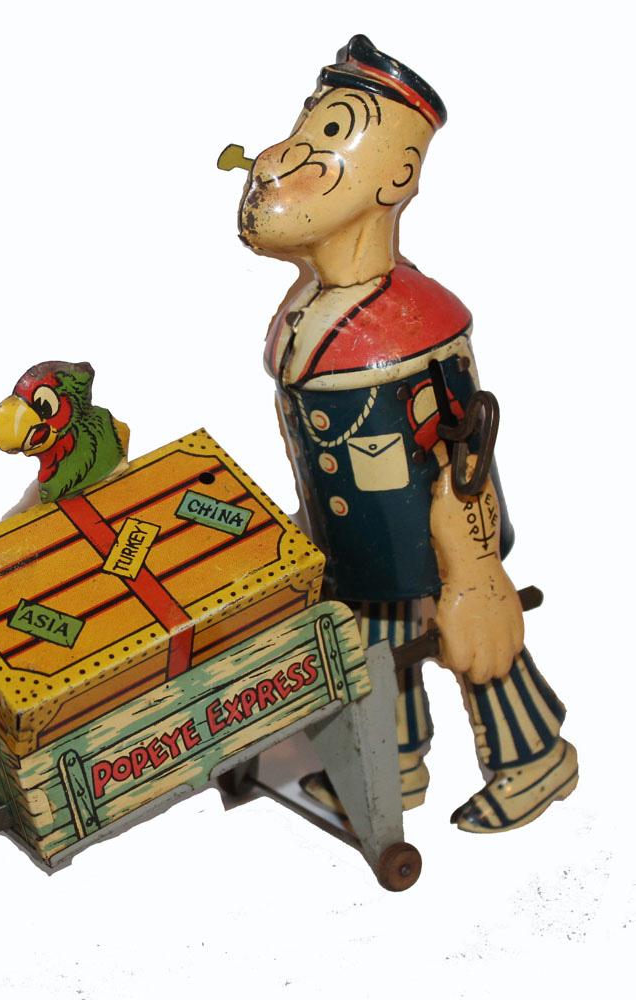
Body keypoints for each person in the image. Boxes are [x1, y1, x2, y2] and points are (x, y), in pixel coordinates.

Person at [236, 34, 576, 831]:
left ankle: (533, 758)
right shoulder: (308, 318)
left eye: (332, 132)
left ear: (396, 176)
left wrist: (475, 576)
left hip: (434, 544)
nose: (285, 154)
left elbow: (465, 457)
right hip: (360, 550)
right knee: (372, 648)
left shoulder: (417, 327)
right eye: (306, 123)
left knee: (483, 653)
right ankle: (393, 766)